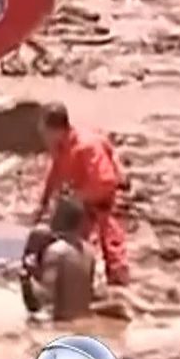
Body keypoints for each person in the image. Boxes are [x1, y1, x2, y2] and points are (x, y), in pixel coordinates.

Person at [34, 102, 131, 287]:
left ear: (56, 130)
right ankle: (76, 282)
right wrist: (42, 205)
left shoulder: (87, 146)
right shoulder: (62, 146)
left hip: (106, 197)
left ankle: (119, 285)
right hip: (85, 196)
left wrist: (78, 197)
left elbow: (106, 182)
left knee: (111, 241)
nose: (43, 138)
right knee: (66, 236)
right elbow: (54, 174)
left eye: (45, 132)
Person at [21, 194, 96, 322]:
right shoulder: (90, 252)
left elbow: (43, 300)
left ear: (58, 218)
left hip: (60, 326)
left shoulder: (57, 252)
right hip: (82, 322)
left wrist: (27, 278)